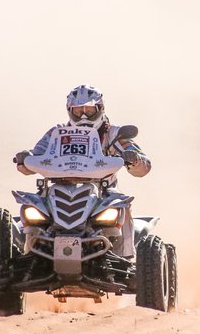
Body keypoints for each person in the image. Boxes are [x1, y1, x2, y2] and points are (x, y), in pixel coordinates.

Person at [13, 84, 151, 256]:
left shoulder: (114, 134)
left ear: (100, 109)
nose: (84, 115)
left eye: (89, 110)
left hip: (103, 194)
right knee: (28, 210)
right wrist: (24, 158)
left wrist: (134, 159)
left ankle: (127, 258)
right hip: (56, 190)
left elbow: (144, 166)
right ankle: (26, 254)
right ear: (70, 110)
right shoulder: (57, 133)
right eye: (79, 111)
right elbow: (36, 155)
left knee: (123, 205)